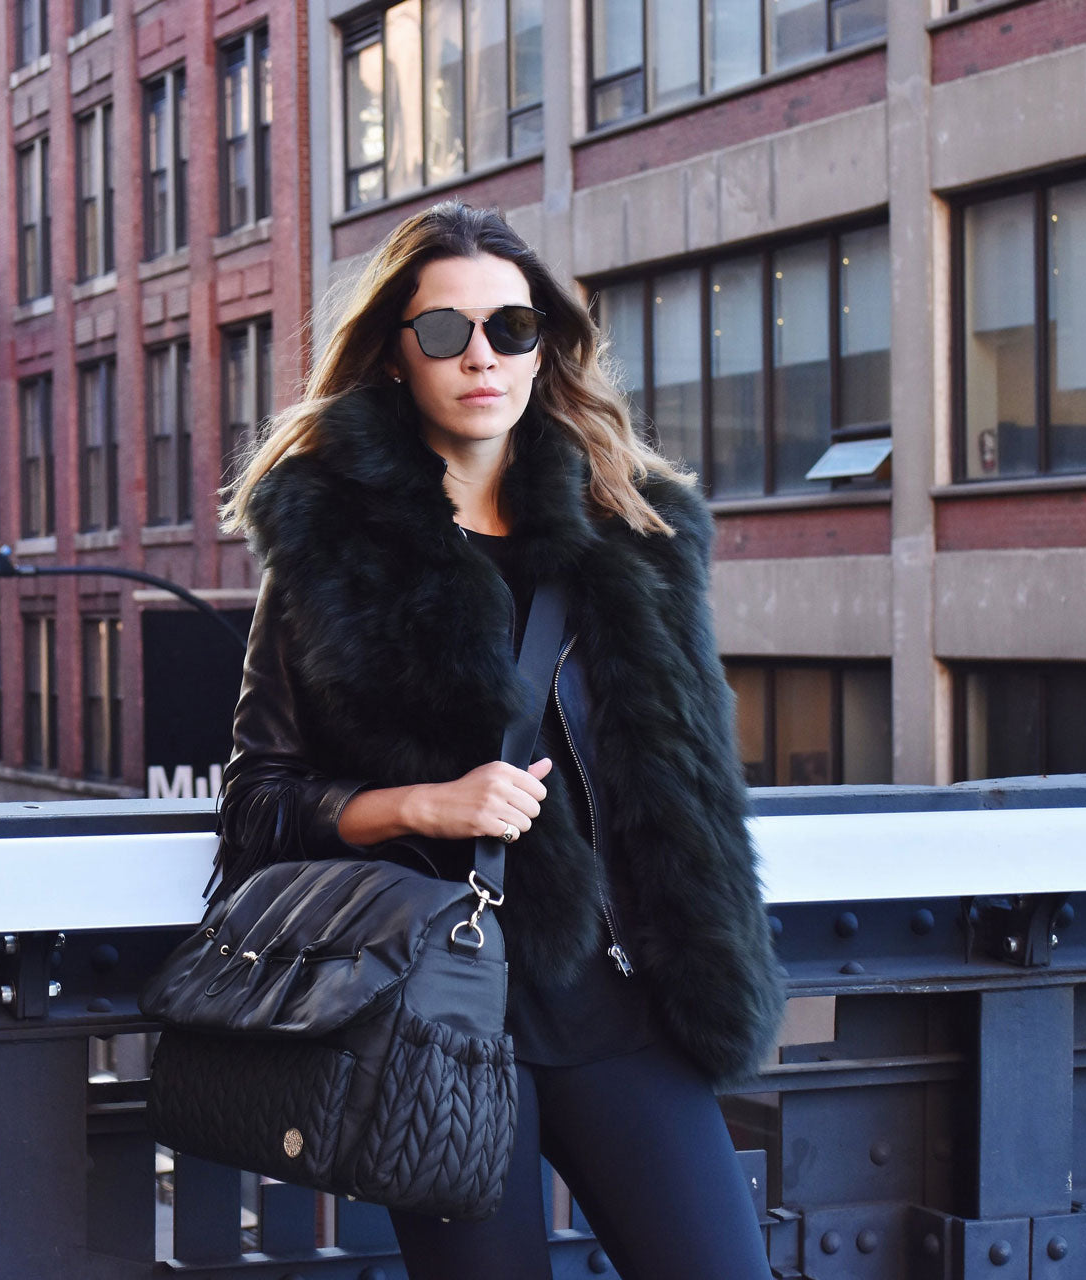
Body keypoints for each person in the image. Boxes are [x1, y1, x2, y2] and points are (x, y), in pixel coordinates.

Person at [215, 200, 783, 1280]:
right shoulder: (328, 551)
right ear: (396, 356)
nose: (481, 357)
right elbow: (254, 802)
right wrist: (418, 805)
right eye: (444, 332)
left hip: (622, 1002)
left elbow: (692, 785)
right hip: (438, 1019)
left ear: (542, 347)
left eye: (509, 329)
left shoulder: (636, 532)